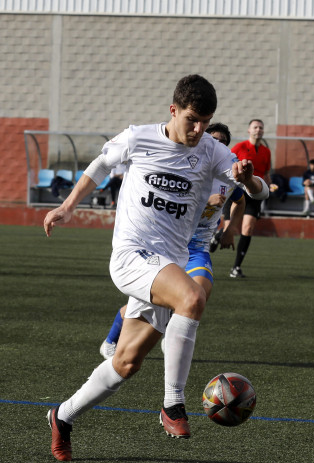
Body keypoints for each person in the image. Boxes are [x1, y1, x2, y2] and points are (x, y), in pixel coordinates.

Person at [43, 75, 268, 461]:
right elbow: (100, 165)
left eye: (206, 121)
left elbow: (257, 189)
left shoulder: (212, 151)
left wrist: (249, 181)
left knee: (127, 362)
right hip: (132, 256)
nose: (198, 130)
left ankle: (62, 417)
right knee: (194, 297)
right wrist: (67, 206)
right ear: (174, 110)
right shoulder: (138, 137)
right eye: (192, 120)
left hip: (169, 263)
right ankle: (173, 404)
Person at [100, 123, 245, 359]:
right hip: (168, 244)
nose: (216, 145)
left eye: (222, 142)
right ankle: (111, 340)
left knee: (197, 294)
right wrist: (205, 201)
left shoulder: (226, 175)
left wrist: (230, 230)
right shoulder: (187, 168)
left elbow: (241, 200)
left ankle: (173, 337)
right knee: (148, 303)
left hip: (198, 247)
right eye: (213, 139)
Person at [218, 118, 272, 278]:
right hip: (238, 191)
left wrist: (270, 186)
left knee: (247, 228)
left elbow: (267, 174)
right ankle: (216, 236)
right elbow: (226, 165)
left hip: (255, 194)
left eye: (261, 127)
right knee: (229, 229)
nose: (258, 130)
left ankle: (236, 268)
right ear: (249, 130)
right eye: (255, 127)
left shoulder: (266, 151)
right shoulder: (239, 147)